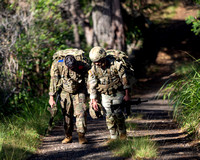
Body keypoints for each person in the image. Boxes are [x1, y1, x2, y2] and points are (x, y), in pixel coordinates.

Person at [87, 46, 131, 140]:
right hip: (105, 94)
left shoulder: (116, 65)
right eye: (95, 62)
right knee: (109, 115)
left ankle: (123, 134)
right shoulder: (94, 69)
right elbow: (92, 85)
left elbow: (125, 80)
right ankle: (113, 136)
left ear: (103, 58)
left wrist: (127, 94)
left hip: (117, 92)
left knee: (118, 114)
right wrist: (93, 100)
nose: (97, 64)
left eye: (98, 61)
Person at [49, 50, 89, 144]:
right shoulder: (57, 65)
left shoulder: (82, 64)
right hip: (64, 91)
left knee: (81, 112)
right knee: (66, 114)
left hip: (79, 90)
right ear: (65, 65)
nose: (71, 68)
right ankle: (68, 136)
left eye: (73, 67)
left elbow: (89, 77)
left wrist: (91, 94)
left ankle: (81, 136)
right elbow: (53, 81)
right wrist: (52, 98)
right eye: (70, 67)